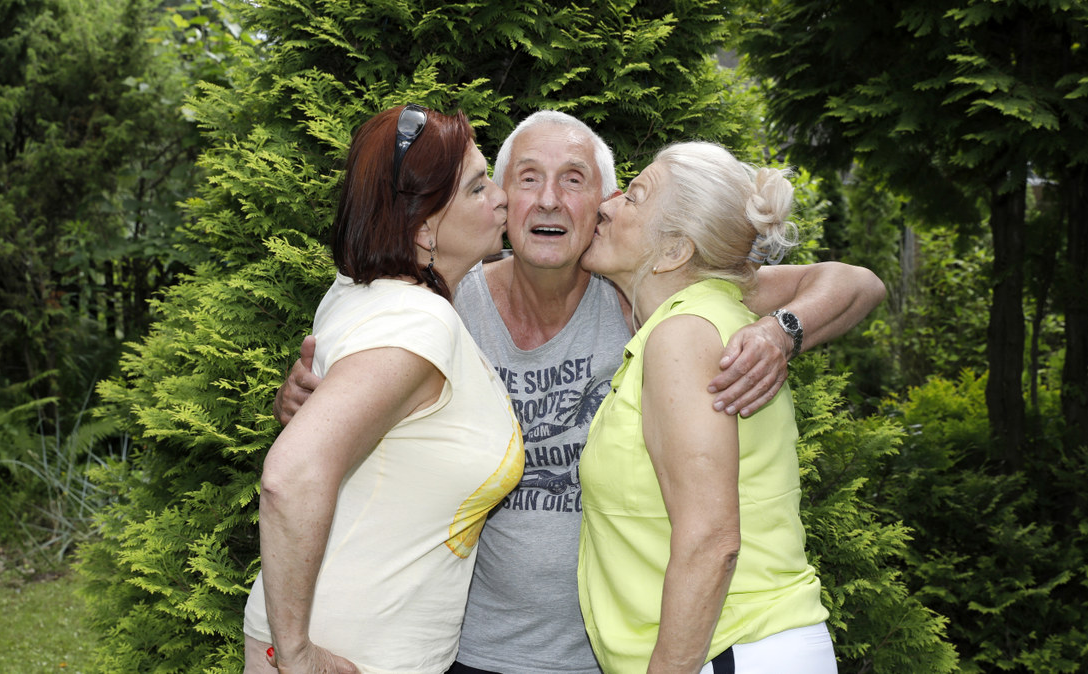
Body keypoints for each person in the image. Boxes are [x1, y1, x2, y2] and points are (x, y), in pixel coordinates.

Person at [274, 111, 886, 674]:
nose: (548, 199)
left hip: (632, 653)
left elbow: (854, 282)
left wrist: (782, 332)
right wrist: (310, 399)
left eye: (574, 180)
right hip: (474, 649)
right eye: (526, 178)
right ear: (502, 199)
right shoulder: (445, 305)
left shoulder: (653, 300)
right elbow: (333, 429)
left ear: (602, 203)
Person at [242, 104, 525, 674]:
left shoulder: (359, 289)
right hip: (353, 654)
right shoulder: (419, 322)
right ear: (423, 231)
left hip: (353, 636)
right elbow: (289, 477)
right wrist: (296, 656)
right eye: (476, 189)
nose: (502, 199)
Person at [577, 141, 836, 673]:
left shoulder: (684, 336)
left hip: (729, 651)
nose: (607, 203)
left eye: (635, 197)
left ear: (674, 251)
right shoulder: (709, 319)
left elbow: (711, 541)